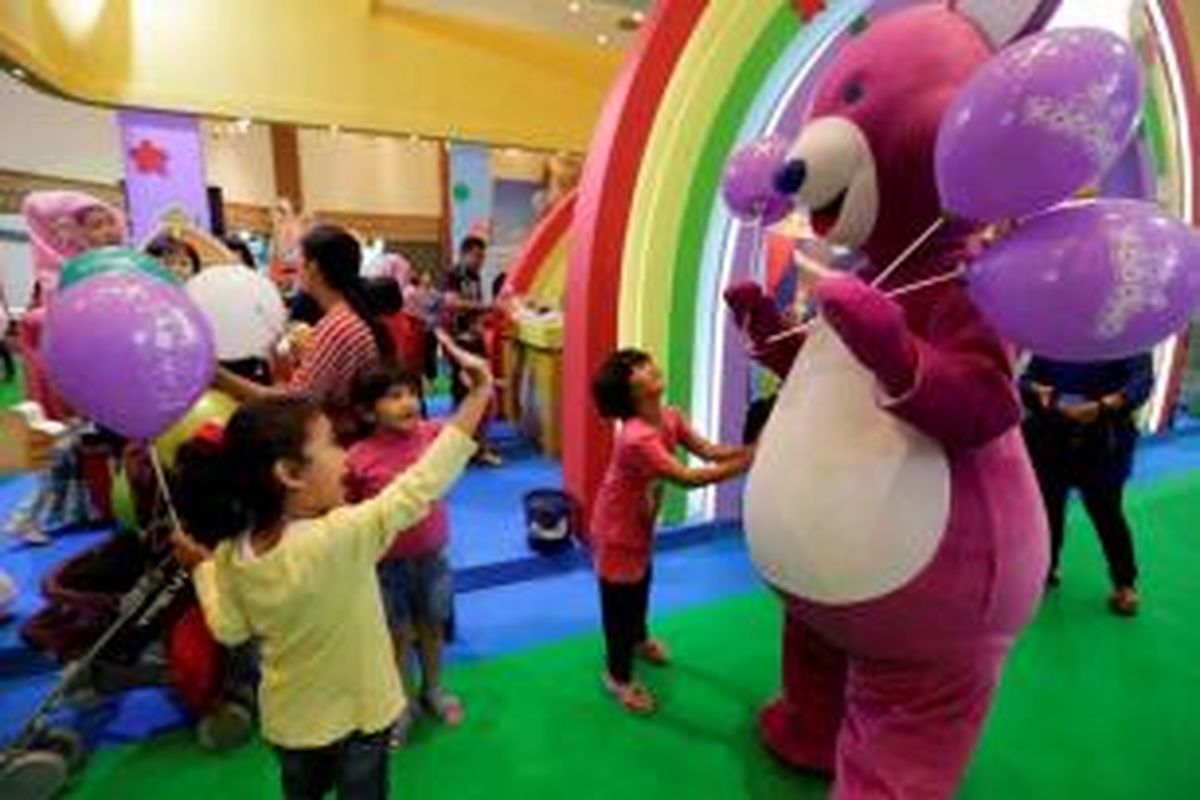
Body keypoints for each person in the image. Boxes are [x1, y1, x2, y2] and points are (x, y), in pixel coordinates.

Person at [171, 333, 492, 800]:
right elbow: (419, 486)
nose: (345, 455)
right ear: (290, 473)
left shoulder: (232, 555)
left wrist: (202, 569)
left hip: (290, 728)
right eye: (330, 444)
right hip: (361, 719)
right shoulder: (338, 538)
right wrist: (479, 393)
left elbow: (230, 629)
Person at [590, 349, 754, 714]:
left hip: (640, 520)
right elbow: (687, 478)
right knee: (619, 602)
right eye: (638, 369)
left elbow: (709, 453)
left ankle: (639, 638)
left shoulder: (669, 416)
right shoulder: (635, 437)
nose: (650, 367)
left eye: (645, 362)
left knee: (642, 582)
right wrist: (748, 462)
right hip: (616, 528)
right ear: (628, 393)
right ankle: (617, 676)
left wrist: (747, 450)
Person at [346, 365, 462, 748]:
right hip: (384, 566)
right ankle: (403, 704)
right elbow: (348, 514)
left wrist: (480, 389)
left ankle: (433, 688)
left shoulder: (433, 435)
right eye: (394, 396)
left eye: (411, 392)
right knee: (396, 637)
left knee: (431, 627)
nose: (408, 401)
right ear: (367, 412)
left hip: (432, 557)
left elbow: (466, 430)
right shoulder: (358, 458)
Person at [215, 224, 394, 445]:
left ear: (314, 268)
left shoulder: (336, 326)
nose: (295, 268)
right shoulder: (347, 317)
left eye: (299, 260)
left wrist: (219, 377)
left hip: (342, 443)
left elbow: (293, 402)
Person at [1021, 354, 1154, 616]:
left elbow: (1140, 382)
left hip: (1104, 442)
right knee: (1047, 510)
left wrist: (1105, 406)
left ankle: (1124, 583)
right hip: (1050, 437)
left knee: (1106, 513)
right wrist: (1035, 390)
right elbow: (1027, 379)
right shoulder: (1056, 337)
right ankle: (1045, 571)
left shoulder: (1126, 334)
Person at [443, 236, 502, 466]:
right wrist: (487, 306)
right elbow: (451, 303)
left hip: (472, 341)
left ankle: (475, 444)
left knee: (480, 392)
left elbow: (469, 309)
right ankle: (466, 447)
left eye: (483, 257)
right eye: (477, 256)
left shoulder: (474, 276)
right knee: (467, 394)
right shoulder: (454, 274)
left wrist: (483, 318)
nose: (481, 262)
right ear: (464, 253)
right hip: (461, 345)